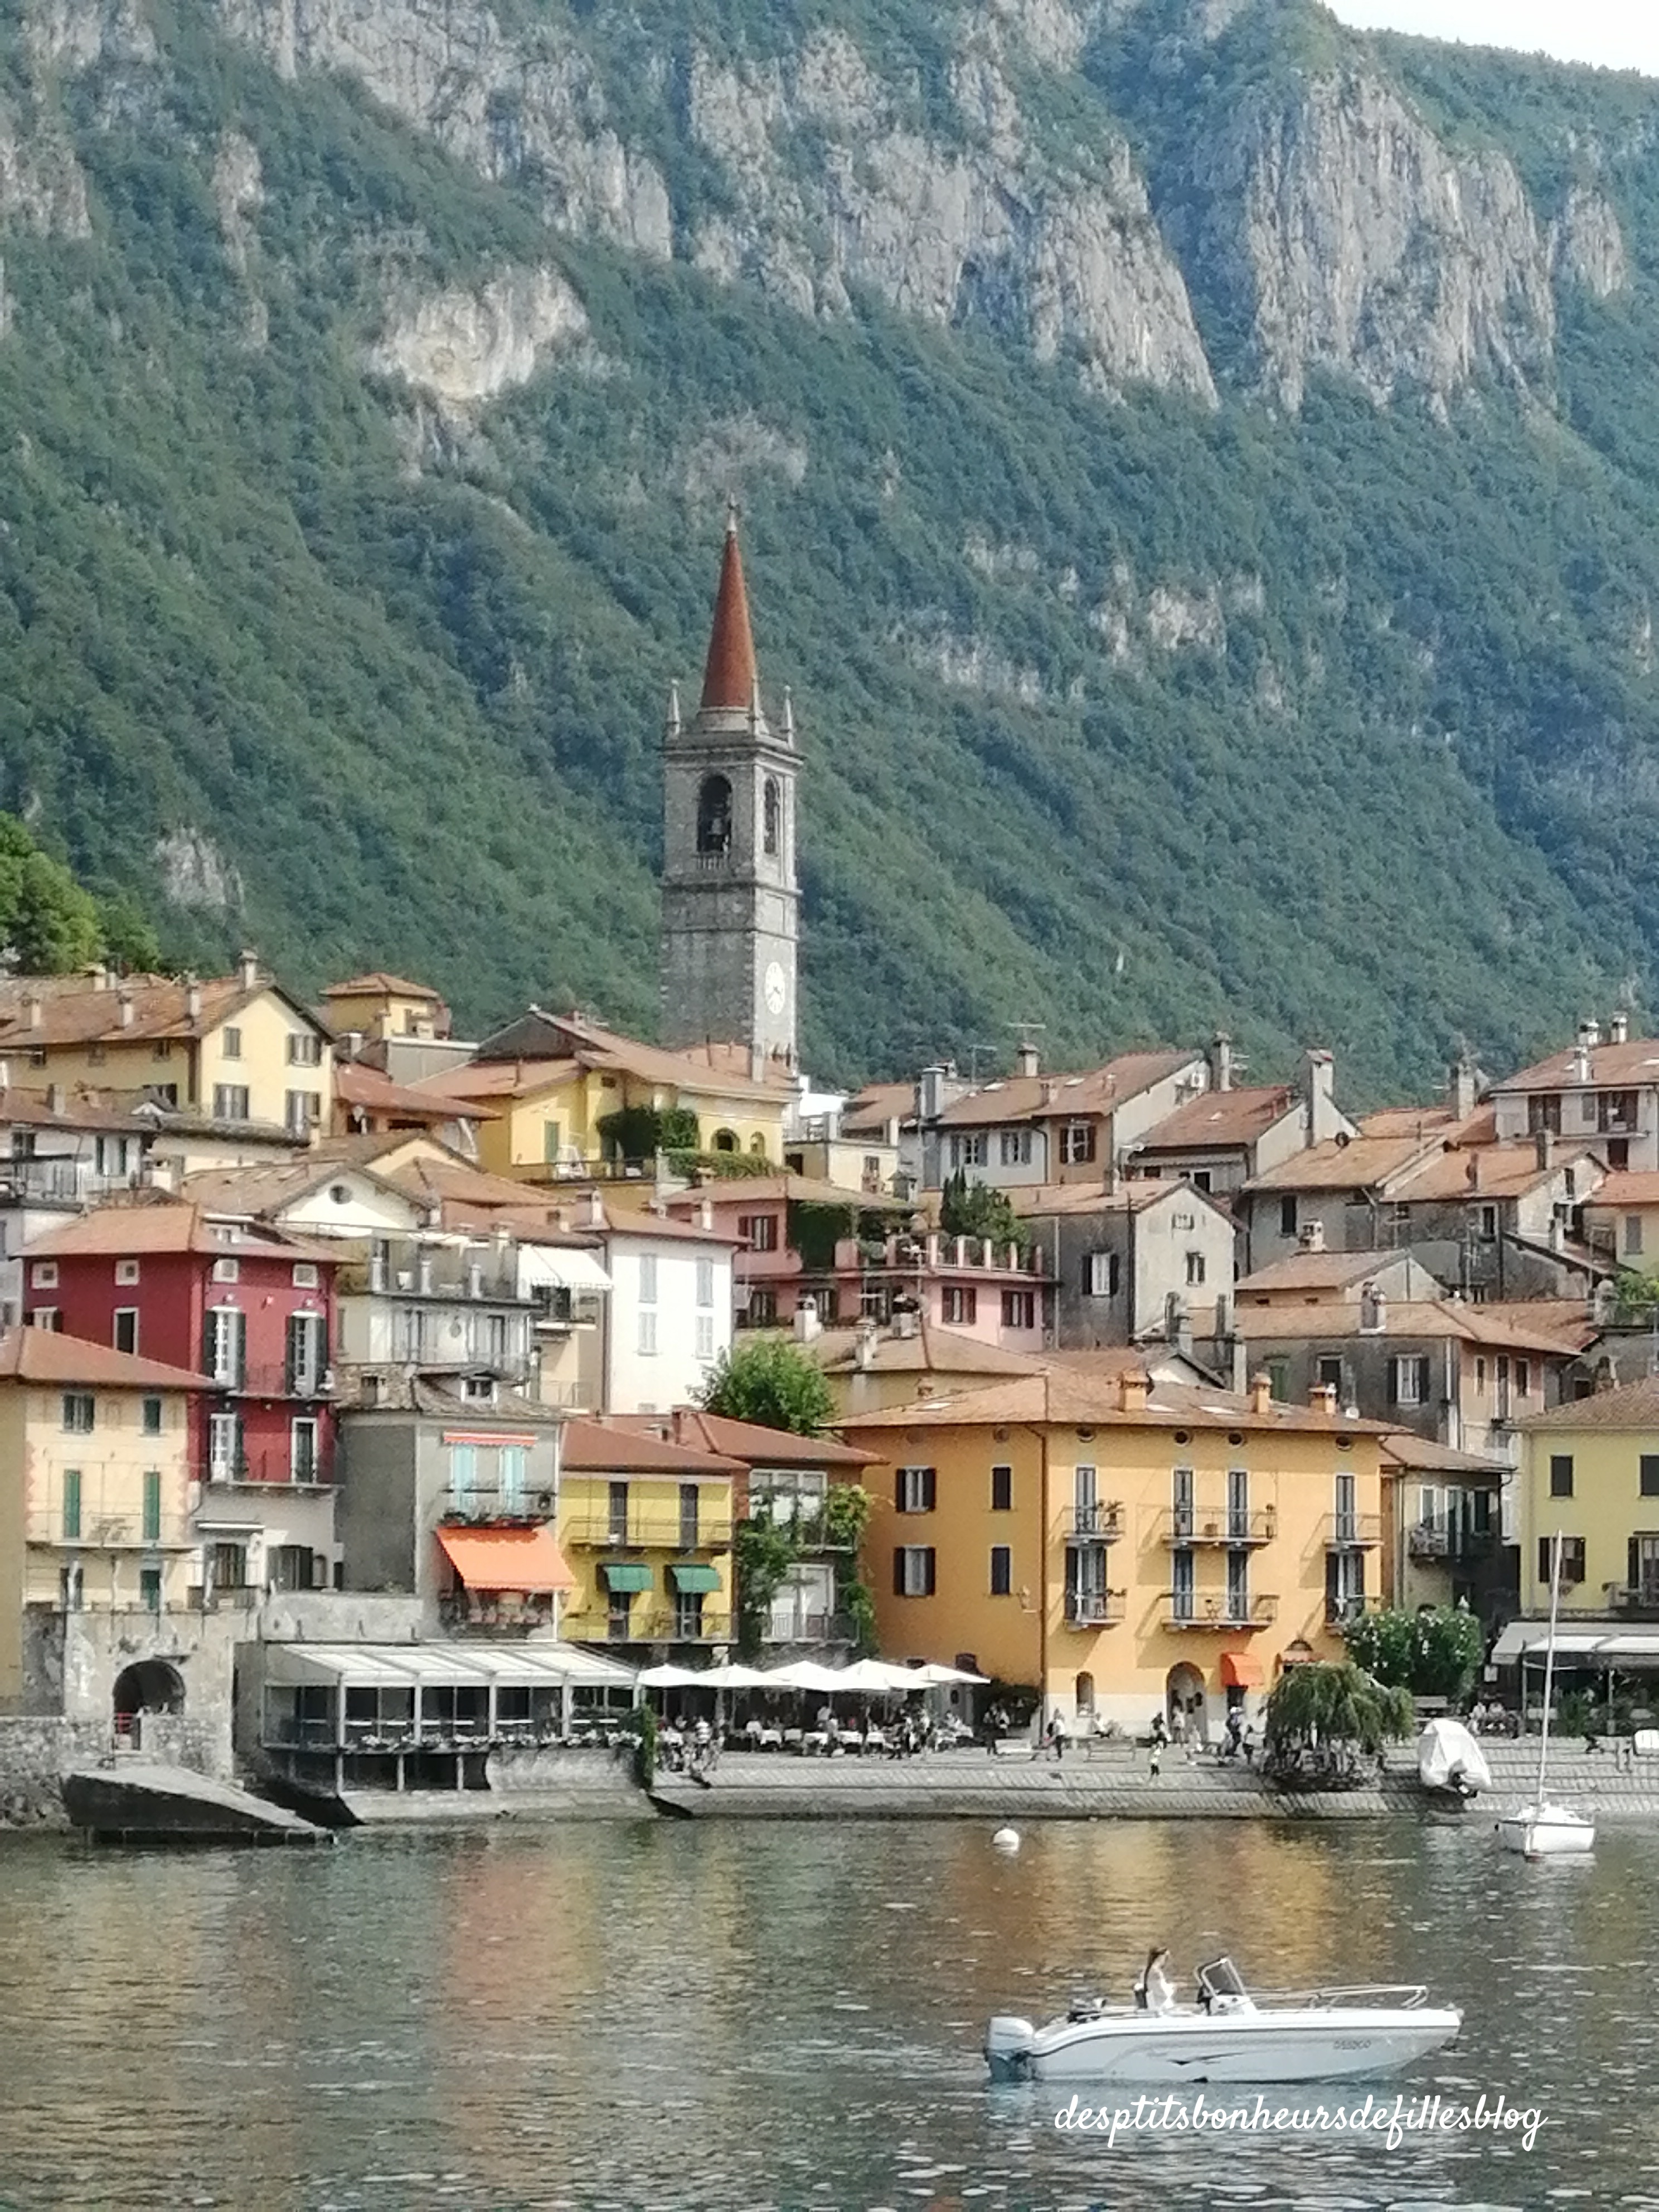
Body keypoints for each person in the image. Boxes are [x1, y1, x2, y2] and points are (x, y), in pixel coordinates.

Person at [1133, 1946, 1177, 2013]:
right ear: (1161, 1957)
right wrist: (1172, 1988)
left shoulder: (1144, 1972)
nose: (1166, 1961)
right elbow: (1163, 1992)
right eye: (1166, 1958)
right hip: (1161, 2007)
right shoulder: (1156, 1973)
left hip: (1150, 2005)